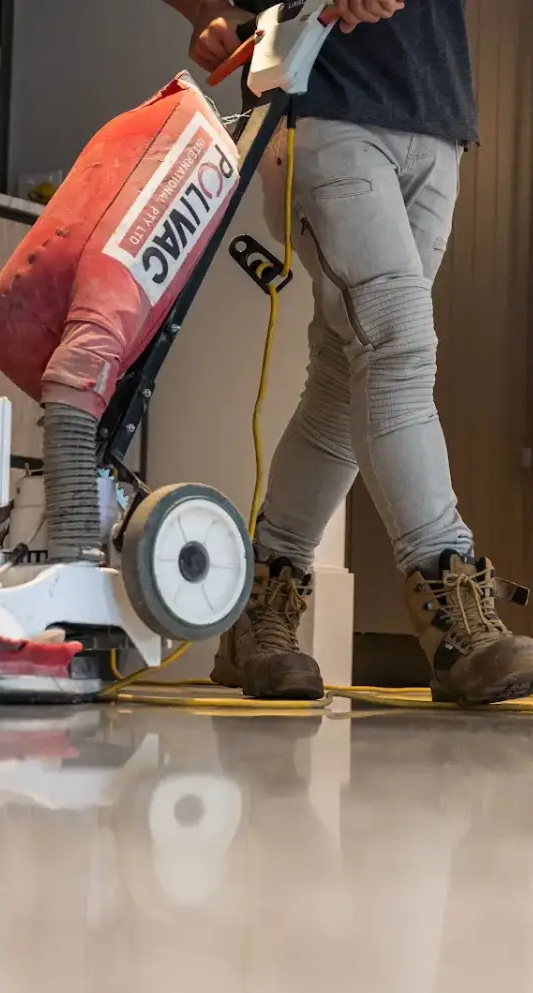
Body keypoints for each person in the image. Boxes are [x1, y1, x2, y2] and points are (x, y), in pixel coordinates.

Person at [161, 0, 533, 706]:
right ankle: (454, 610)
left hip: (435, 113)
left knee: (340, 378)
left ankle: (261, 608)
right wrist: (210, 8)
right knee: (397, 345)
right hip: (322, 104)